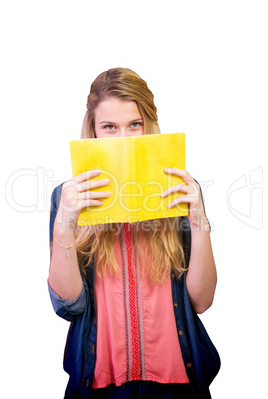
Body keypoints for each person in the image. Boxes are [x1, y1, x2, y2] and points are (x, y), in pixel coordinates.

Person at [48, 68, 220, 399]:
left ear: (149, 126)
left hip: (178, 383)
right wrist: (65, 222)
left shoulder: (181, 191)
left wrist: (198, 218)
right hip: (100, 386)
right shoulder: (66, 198)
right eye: (109, 127)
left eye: (134, 125)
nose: (124, 140)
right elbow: (69, 305)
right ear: (94, 133)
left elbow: (202, 300)